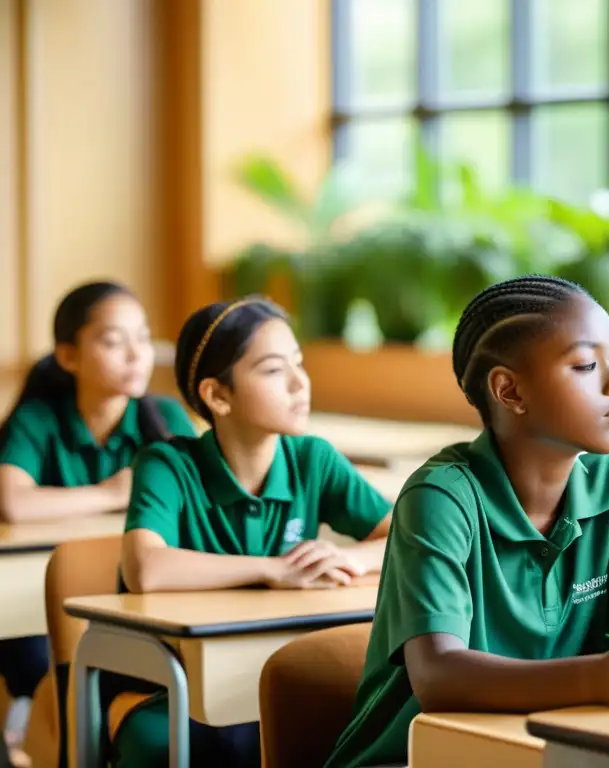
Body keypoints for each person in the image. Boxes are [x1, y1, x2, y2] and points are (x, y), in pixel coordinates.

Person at [324, 275, 609, 768]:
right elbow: (438, 676)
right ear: (509, 390)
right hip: (413, 758)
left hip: (551, 751)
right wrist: (600, 678)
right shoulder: (441, 497)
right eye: (587, 365)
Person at [113, 297, 393, 768]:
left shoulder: (312, 459)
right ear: (217, 396)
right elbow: (146, 568)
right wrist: (274, 569)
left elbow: (411, 538)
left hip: (280, 681)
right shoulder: (167, 464)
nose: (300, 384)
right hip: (175, 685)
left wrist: (353, 558)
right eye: (272, 371)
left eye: (299, 364)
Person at [0, 281, 195, 764]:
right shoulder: (38, 418)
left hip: (133, 591)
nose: (136, 354)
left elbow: (196, 501)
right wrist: (110, 494)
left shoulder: (165, 416)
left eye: (143, 338)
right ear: (68, 356)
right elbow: (13, 503)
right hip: (36, 590)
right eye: (113, 341)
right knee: (29, 650)